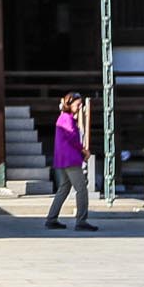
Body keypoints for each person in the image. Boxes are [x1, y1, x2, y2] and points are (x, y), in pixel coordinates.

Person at [44, 93, 98, 232]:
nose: (79, 107)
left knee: (64, 188)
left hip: (61, 159)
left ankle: (51, 218)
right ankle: (81, 221)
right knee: (81, 190)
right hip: (71, 159)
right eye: (77, 104)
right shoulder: (67, 120)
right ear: (69, 104)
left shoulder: (62, 118)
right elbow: (73, 139)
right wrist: (84, 151)